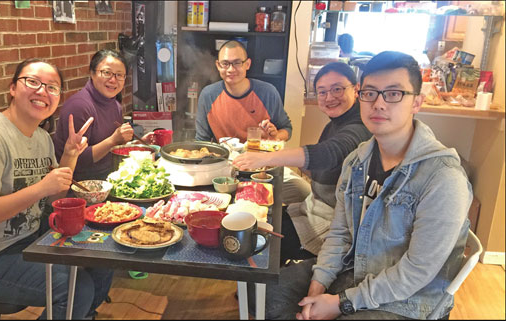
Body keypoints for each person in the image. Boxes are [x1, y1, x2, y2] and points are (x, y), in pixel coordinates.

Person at [256, 51, 472, 320]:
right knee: (264, 296)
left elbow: (417, 271)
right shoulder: (358, 160)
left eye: (393, 94)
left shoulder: (443, 178)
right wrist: (318, 285)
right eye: (370, 93)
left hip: (407, 300)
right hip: (355, 270)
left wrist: (339, 303)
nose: (379, 104)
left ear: (416, 102)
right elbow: (339, 233)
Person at [0, 58, 113, 319]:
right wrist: (39, 188)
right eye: (32, 82)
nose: (42, 91)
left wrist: (70, 155)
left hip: (28, 238)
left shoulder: (42, 137)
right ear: (12, 88)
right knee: (75, 289)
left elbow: (52, 197)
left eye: (52, 87)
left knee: (103, 257)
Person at [233, 62, 372, 263]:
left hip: (333, 221)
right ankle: (260, 288)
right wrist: (273, 147)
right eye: (322, 92)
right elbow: (318, 166)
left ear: (356, 89)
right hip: (313, 206)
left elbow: (330, 153)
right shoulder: (338, 122)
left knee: (257, 239)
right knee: (264, 220)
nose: (329, 97)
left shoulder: (359, 127)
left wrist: (264, 158)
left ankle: (266, 289)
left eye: (337, 89)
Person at [196, 40, 309, 204]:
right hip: (225, 168)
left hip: (263, 167)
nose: (231, 69)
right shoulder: (208, 95)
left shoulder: (267, 92)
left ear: (247, 64)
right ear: (218, 65)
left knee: (303, 191)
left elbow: (287, 129)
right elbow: (201, 141)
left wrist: (276, 135)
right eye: (225, 64)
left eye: (237, 63)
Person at [53, 49, 151, 182]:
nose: (113, 80)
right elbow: (78, 160)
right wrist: (113, 140)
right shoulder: (79, 106)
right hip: (80, 186)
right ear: (92, 73)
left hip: (108, 177)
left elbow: (113, 146)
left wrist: (139, 144)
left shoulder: (114, 104)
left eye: (119, 75)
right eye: (107, 73)